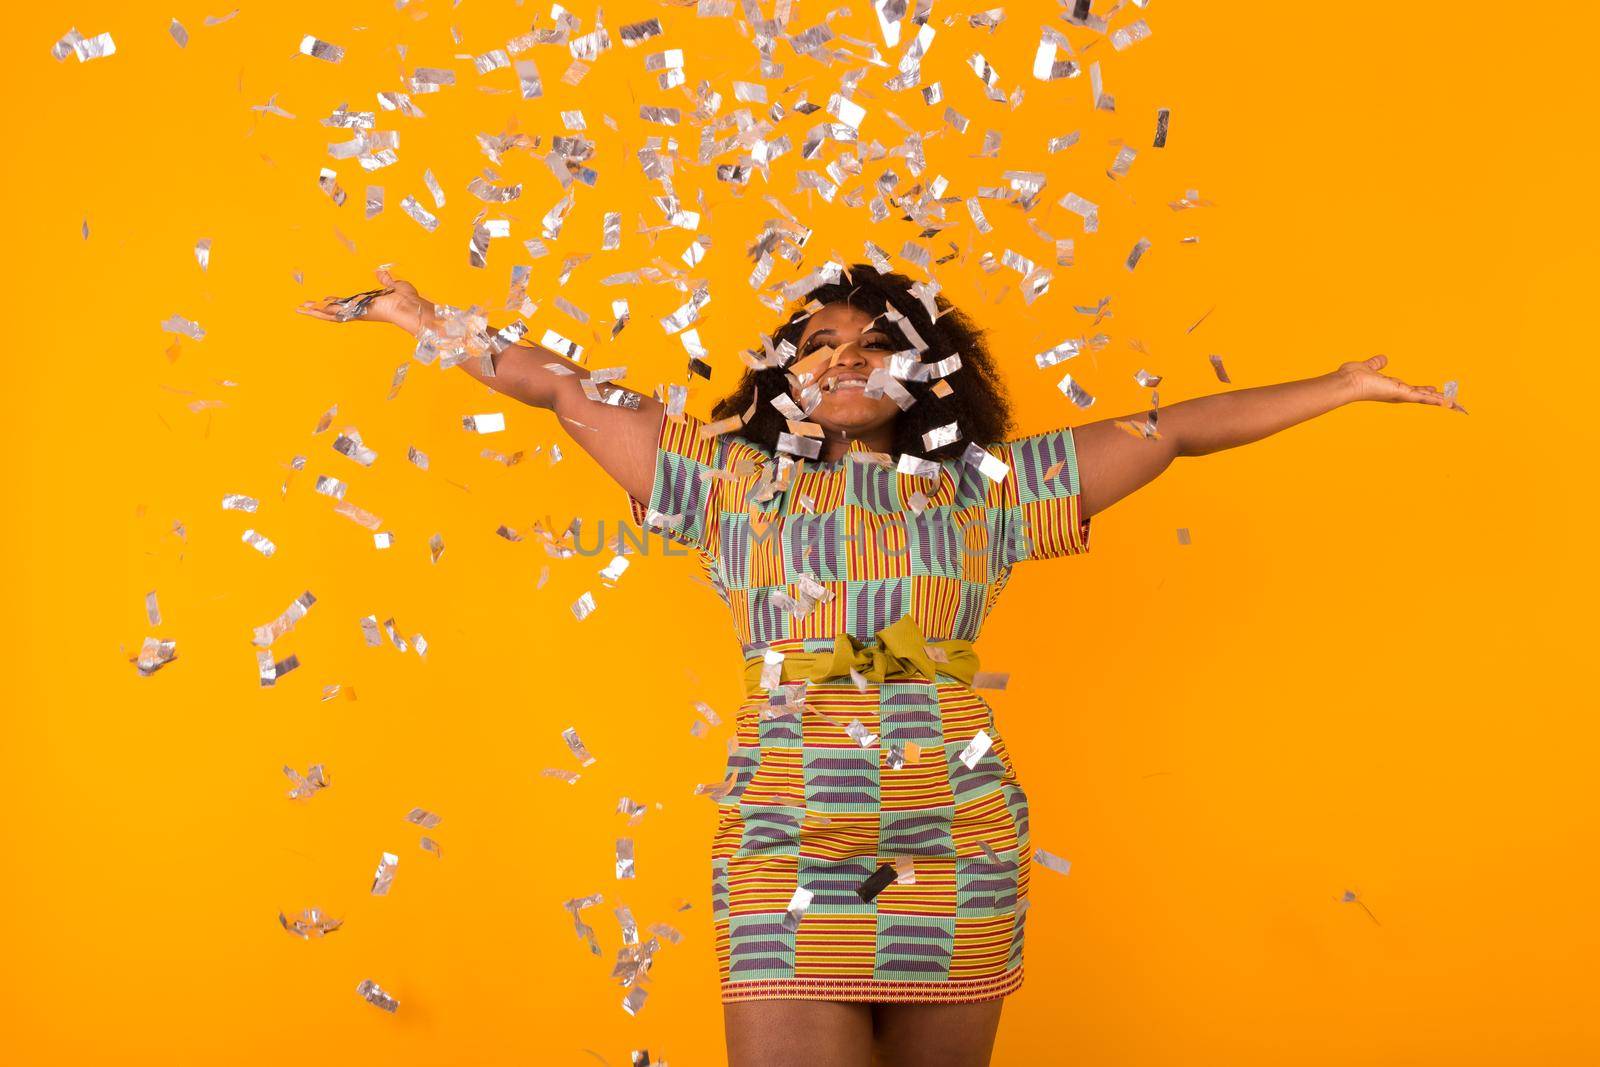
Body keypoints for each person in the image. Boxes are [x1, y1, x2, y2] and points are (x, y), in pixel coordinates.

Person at [300, 263, 1459, 1066]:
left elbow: (1175, 430)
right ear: (784, 372)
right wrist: (425, 320)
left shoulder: (992, 490)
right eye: (819, 344)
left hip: (955, 837)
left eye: (875, 345)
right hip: (785, 837)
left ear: (928, 371)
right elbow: (560, 388)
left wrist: (1342, 385)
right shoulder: (723, 477)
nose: (844, 360)